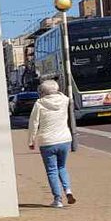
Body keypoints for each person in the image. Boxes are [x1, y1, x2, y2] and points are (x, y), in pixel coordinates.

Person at [28, 79, 75, 208]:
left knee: (52, 170)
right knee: (62, 167)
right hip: (65, 139)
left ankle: (58, 199)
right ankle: (68, 190)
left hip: (47, 141)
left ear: (42, 92)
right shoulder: (65, 100)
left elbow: (34, 124)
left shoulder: (39, 104)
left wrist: (31, 140)